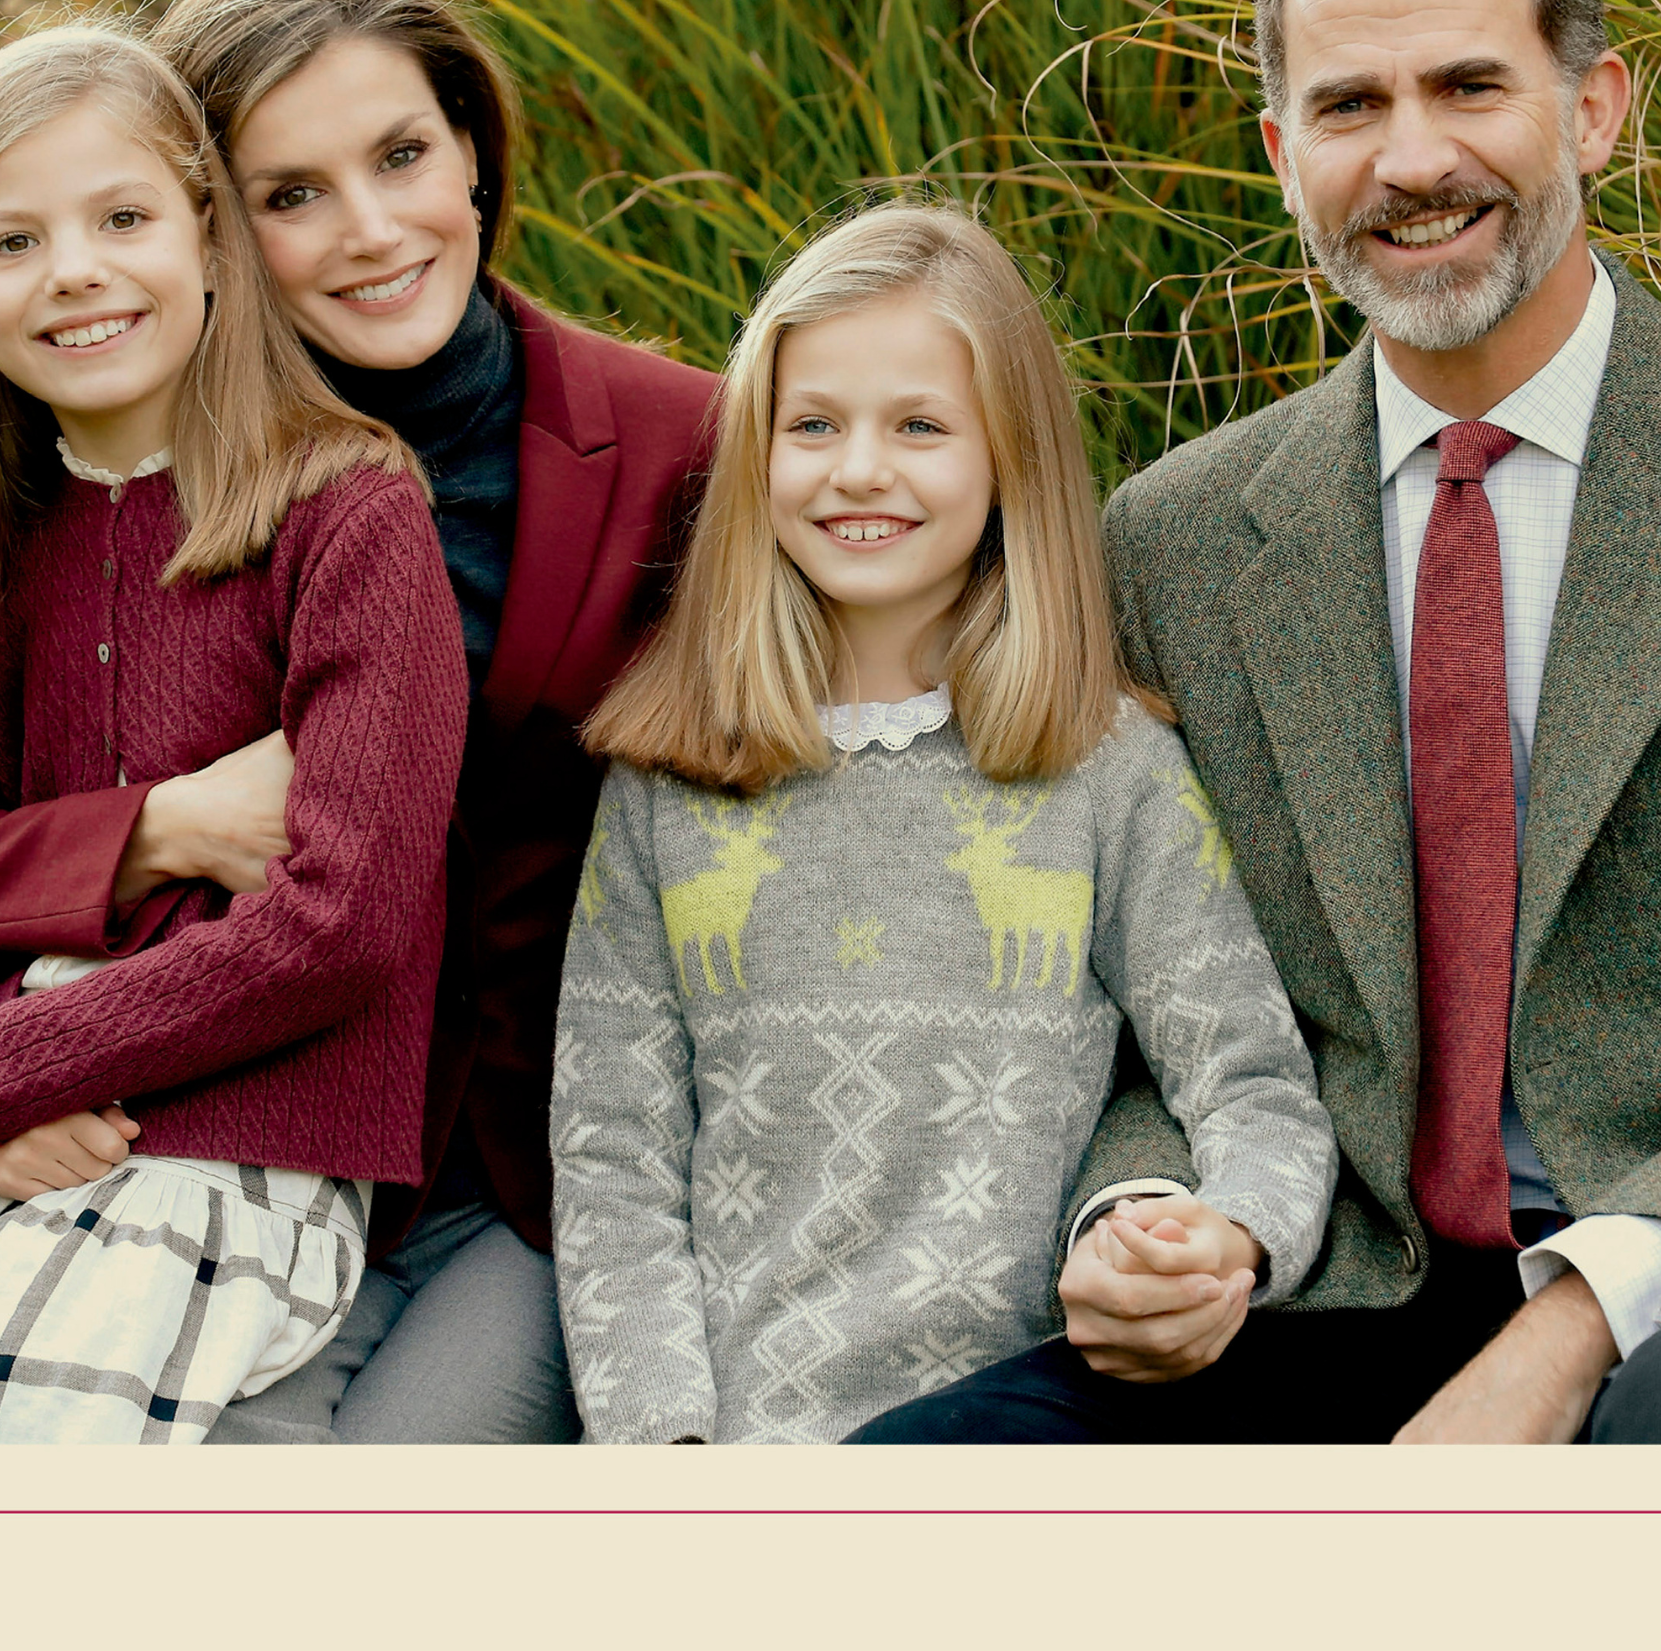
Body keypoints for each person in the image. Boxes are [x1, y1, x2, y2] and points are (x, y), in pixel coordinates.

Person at [849, 0, 1661, 1446]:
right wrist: (1143, 1217)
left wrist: (1570, 1328)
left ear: (1596, 108)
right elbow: (1146, 1012)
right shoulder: (1179, 542)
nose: (1412, 159)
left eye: (1471, 85)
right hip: (1337, 1273)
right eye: (1350, 107)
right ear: (1285, 154)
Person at [0, 0, 716, 1443]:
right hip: (207, 1155)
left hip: (542, 1177)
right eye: (292, 196)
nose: (372, 231)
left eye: (403, 156)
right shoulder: (114, 487)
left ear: (473, 151)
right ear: (210, 223)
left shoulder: (687, 449)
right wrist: (155, 829)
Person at [0, 16, 467, 1444]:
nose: (77, 272)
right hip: (13, 1164)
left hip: (236, 1171)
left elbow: (343, 922)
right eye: (15, 242)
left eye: (122, 217)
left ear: (212, 240)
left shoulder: (349, 515)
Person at [551, 203, 1338, 1445]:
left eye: (919, 425)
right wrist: (667, 1452)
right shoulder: (667, 784)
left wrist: (1226, 1235)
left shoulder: (1108, 768)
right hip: (738, 1440)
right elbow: (613, 1164)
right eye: (813, 426)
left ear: (1009, 459)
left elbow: (1251, 1083)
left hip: (1022, 1420)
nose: (860, 468)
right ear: (759, 455)